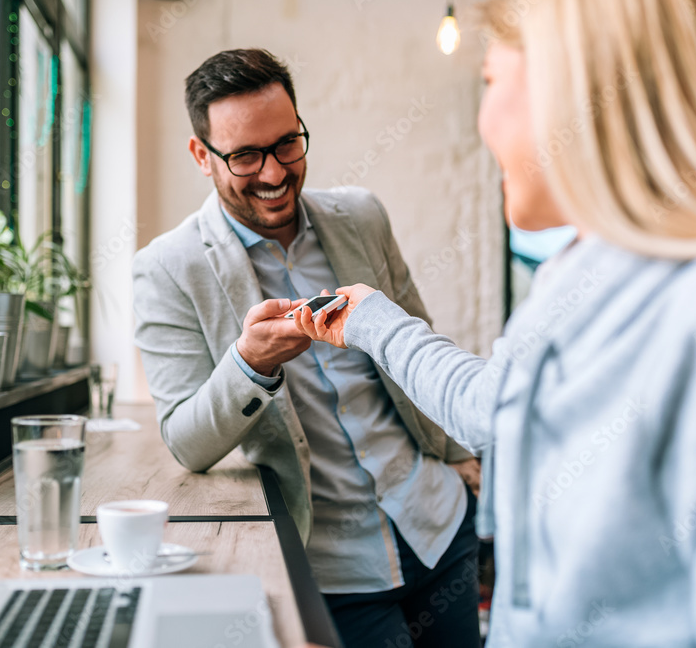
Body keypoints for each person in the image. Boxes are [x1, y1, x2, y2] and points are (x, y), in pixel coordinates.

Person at [292, 0, 696, 645]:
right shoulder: (581, 273)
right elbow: (495, 405)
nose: (483, 122)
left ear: (573, 85)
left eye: (490, 78)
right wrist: (369, 320)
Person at [132, 49, 481, 647]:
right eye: (244, 155)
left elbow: (419, 341)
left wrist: (454, 455)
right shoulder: (166, 268)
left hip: (439, 524)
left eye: (287, 144)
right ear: (202, 156)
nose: (273, 173)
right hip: (331, 565)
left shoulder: (362, 216)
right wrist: (250, 364)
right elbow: (185, 441)